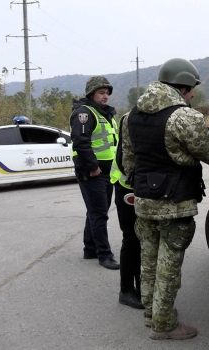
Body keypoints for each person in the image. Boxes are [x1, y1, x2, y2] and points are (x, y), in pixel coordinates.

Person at [121, 58, 209, 340]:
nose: (193, 94)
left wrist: (144, 184)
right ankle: (164, 325)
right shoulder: (184, 117)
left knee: (149, 261)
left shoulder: (131, 116)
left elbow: (128, 161)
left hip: (144, 200)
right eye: (191, 89)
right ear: (181, 86)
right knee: (169, 265)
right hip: (175, 202)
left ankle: (151, 314)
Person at [70, 76, 120, 270]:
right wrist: (93, 167)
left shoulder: (105, 113)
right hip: (92, 171)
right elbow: (81, 143)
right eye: (101, 92)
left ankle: (90, 248)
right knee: (99, 213)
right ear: (91, 93)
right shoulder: (84, 113)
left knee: (97, 210)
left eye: (107, 93)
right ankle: (104, 255)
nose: (105, 96)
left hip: (107, 171)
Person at [110, 112, 143, 309]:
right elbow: (125, 159)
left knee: (141, 241)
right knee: (131, 239)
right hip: (127, 187)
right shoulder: (133, 119)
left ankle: (141, 288)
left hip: (139, 187)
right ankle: (126, 291)